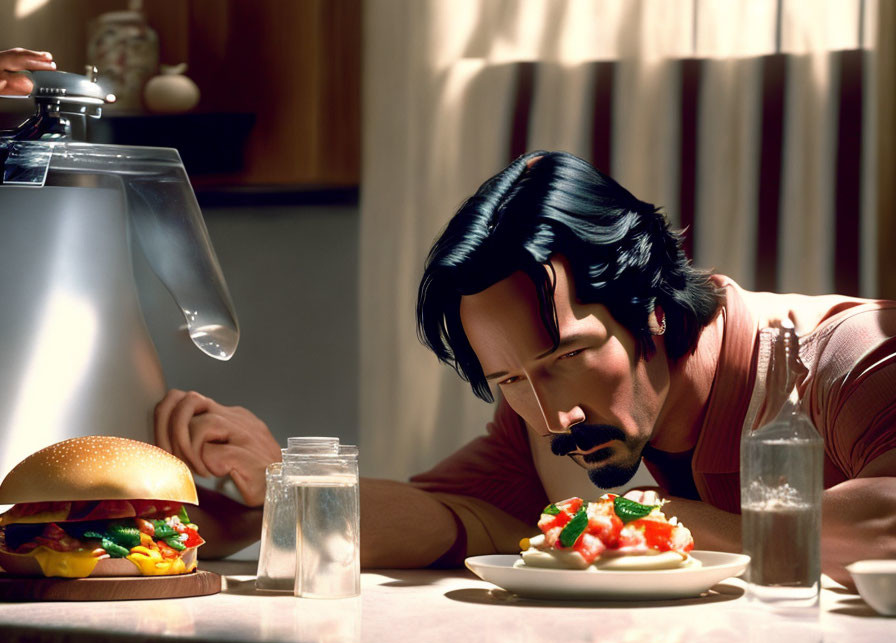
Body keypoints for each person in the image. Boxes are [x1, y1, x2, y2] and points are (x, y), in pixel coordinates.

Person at [155, 151, 895, 587]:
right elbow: (459, 521)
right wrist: (271, 497)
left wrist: (676, 524)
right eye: (510, 379)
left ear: (652, 309)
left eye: (566, 358)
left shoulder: (852, 355)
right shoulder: (545, 414)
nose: (551, 418)